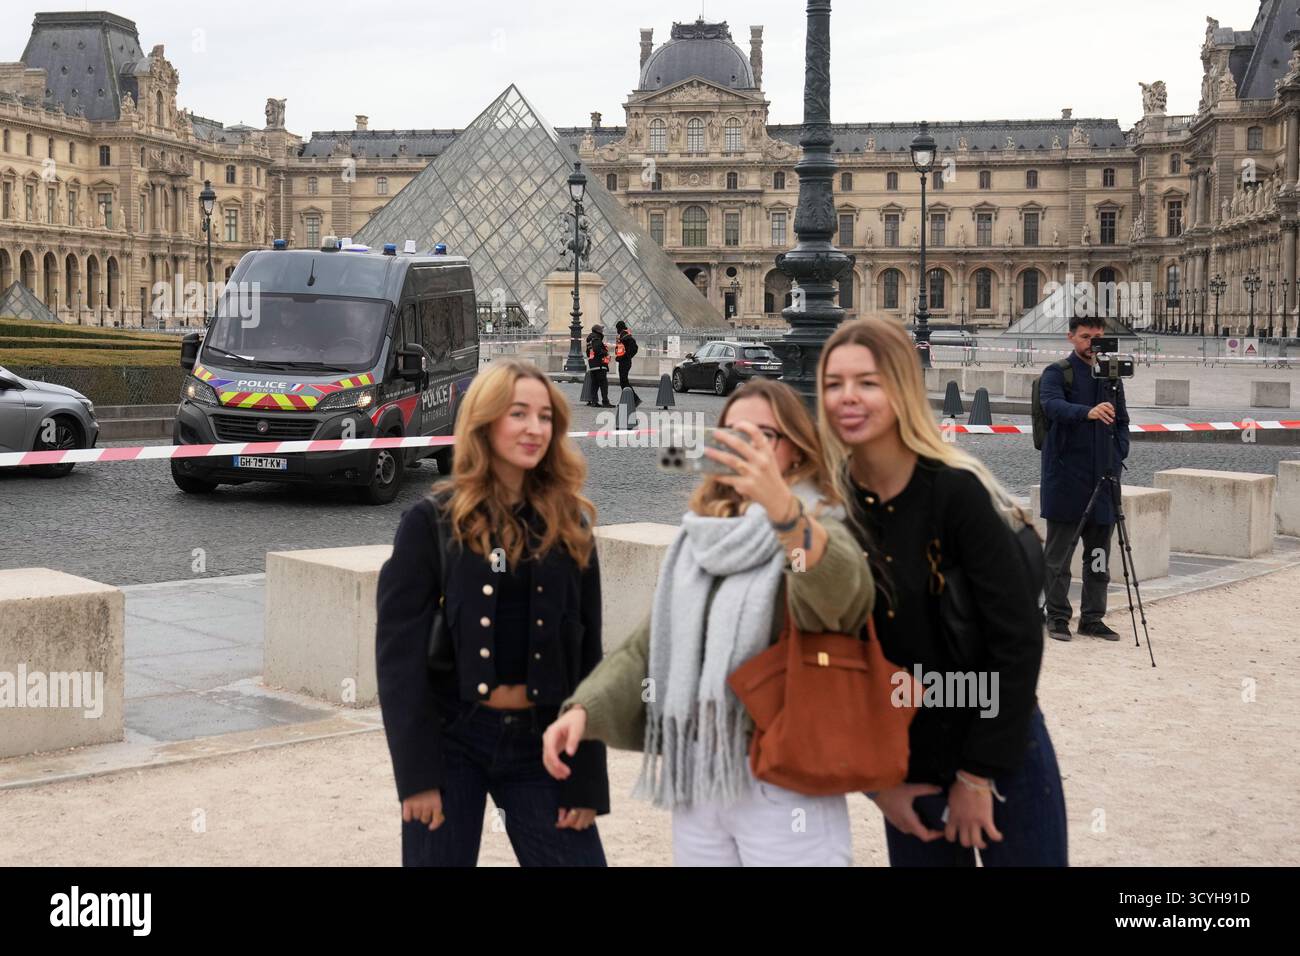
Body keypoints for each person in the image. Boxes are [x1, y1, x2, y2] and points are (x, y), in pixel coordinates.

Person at [541, 379, 875, 866]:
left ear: (798, 453)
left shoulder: (819, 524)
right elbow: (650, 646)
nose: (746, 448)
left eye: (764, 435)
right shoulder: (700, 535)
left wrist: (784, 511)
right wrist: (584, 710)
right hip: (699, 771)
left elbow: (837, 597)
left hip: (782, 772)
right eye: (733, 435)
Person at [818, 317, 1067, 867]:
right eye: (834, 384)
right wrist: (878, 787)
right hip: (907, 763)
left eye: (868, 381)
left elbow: (1018, 642)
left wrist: (978, 778)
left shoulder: (957, 493)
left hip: (1001, 749)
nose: (848, 397)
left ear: (902, 388)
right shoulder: (835, 514)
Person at [375, 360, 610, 866]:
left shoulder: (571, 525)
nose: (534, 428)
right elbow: (399, 660)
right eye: (518, 413)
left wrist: (587, 778)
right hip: (451, 739)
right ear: (484, 421)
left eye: (545, 416)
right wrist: (416, 778)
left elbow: (588, 655)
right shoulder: (429, 522)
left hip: (543, 741)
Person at [1038, 316, 1131, 642]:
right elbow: (1051, 406)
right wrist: (1086, 412)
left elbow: (1122, 421)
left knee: (1098, 556)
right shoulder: (1057, 372)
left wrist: (1119, 453)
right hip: (1066, 478)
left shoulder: (1111, 377)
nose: (1092, 343)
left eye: (1098, 338)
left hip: (1104, 478)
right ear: (1071, 337)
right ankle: (1058, 617)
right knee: (1059, 556)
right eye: (1086, 337)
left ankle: (1092, 618)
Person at [613, 320, 642, 407]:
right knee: (623, 381)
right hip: (623, 361)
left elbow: (634, 348)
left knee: (624, 381)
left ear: (619, 328)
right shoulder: (623, 335)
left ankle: (633, 399)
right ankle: (630, 399)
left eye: (617, 328)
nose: (616, 330)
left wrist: (626, 356)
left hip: (624, 362)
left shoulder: (625, 336)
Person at [585, 324, 612, 407]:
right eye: (601, 330)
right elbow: (597, 349)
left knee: (595, 384)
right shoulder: (596, 338)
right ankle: (605, 401)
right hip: (600, 365)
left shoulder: (590, 340)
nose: (602, 331)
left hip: (593, 365)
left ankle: (594, 402)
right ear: (598, 331)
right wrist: (605, 352)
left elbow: (588, 353)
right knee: (604, 384)